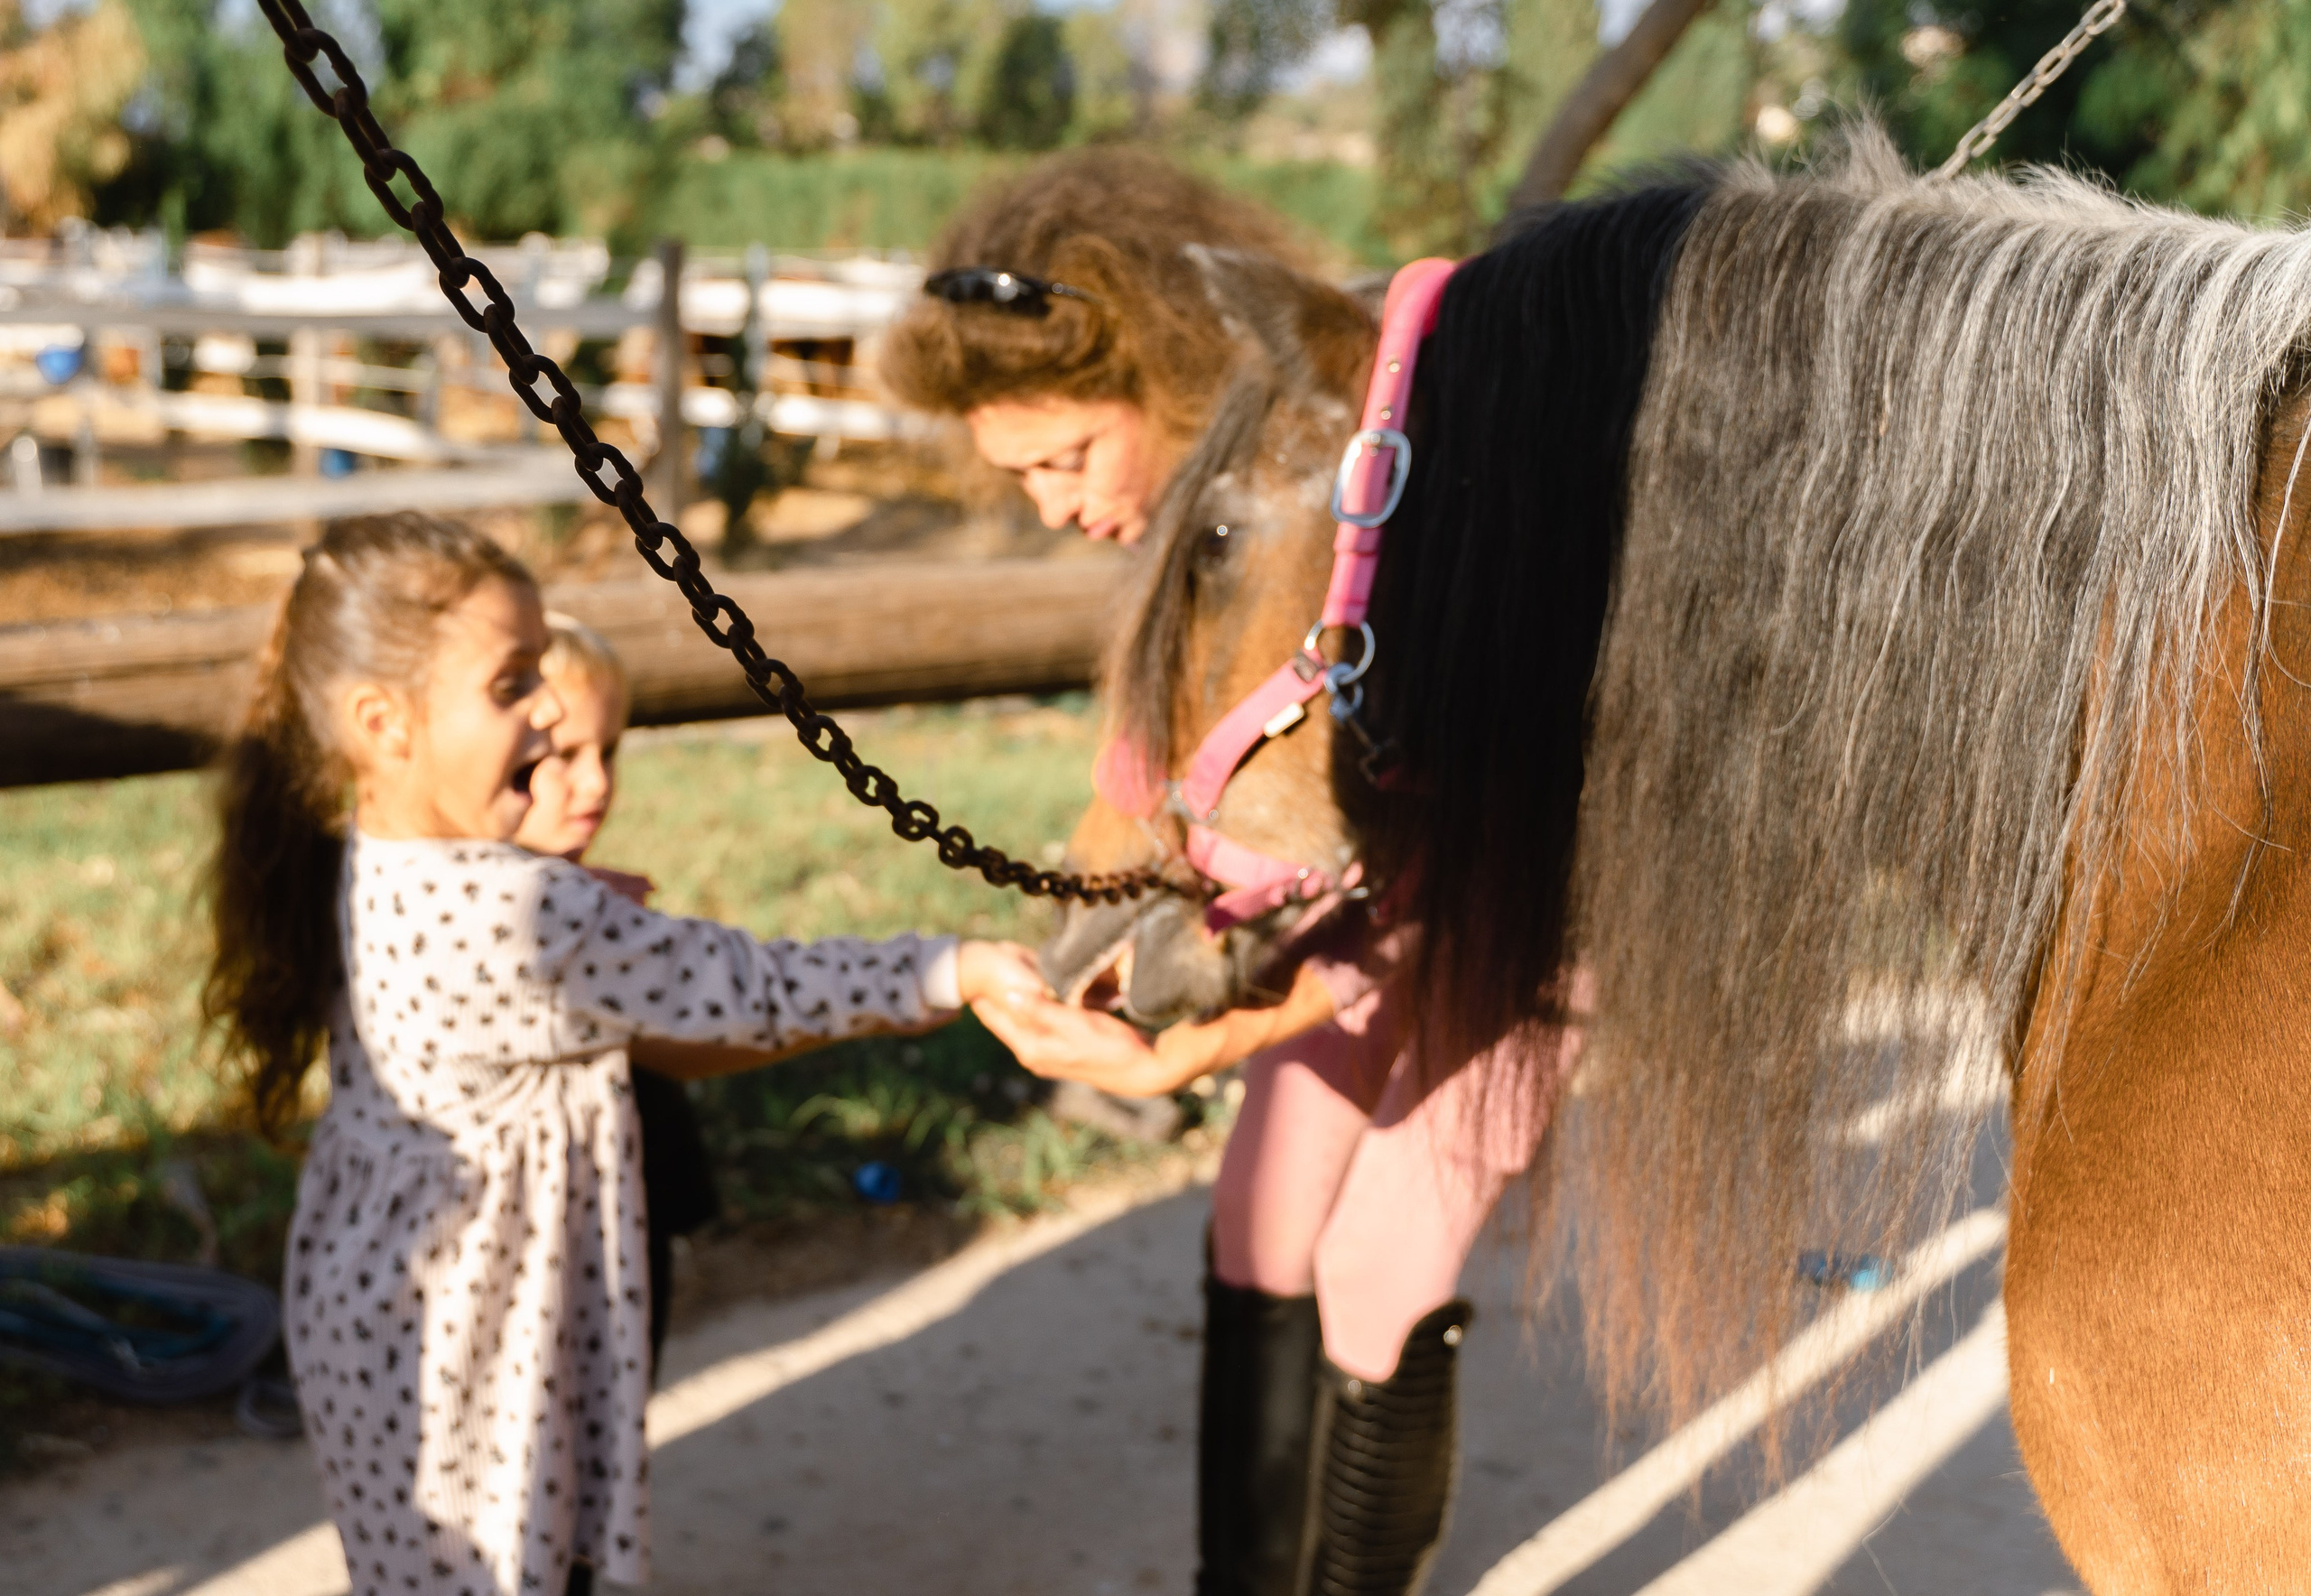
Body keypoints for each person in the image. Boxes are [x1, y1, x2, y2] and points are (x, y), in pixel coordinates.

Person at [882, 153, 1560, 1596]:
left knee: (1383, 1259)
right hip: (1357, 914)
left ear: (1168, 388)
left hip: (1527, 909)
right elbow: (1135, 803)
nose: (1053, 505)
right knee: (1260, 1212)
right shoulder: (1201, 564)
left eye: (1068, 459)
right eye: (1022, 477)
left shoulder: (1363, 512)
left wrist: (1218, 1032)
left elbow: (1482, 848)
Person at [202, 513, 1044, 1596]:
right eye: (512, 683)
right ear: (383, 722)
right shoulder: (525, 912)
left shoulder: (370, 853)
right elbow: (754, 990)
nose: (550, 708)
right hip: (482, 1343)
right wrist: (951, 968)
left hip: (368, 1308)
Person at [511, 613, 717, 1377]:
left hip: (628, 1220)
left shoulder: (598, 907)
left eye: (609, 752)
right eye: (563, 756)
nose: (597, 783)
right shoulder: (478, 926)